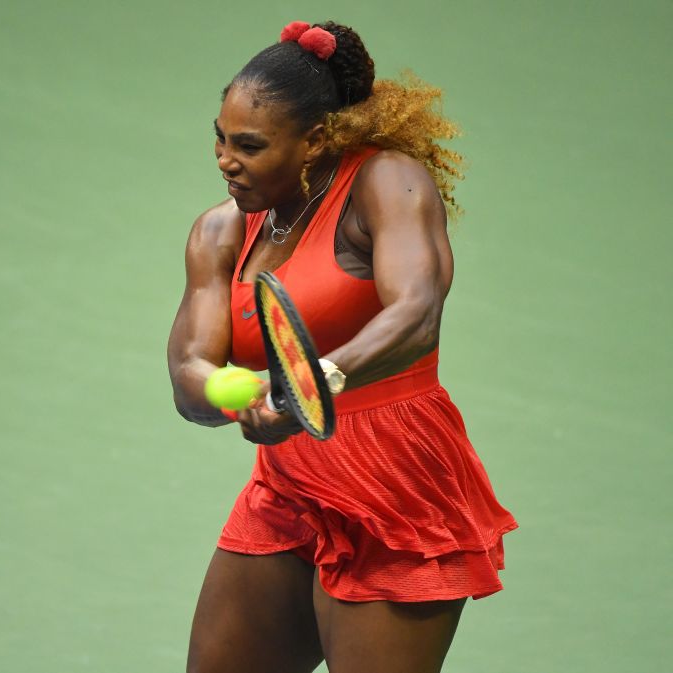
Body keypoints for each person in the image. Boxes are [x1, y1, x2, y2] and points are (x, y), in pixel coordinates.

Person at [166, 20, 518, 673]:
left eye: (249, 145)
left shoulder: (388, 183)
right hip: (289, 489)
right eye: (219, 137)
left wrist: (318, 378)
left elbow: (416, 308)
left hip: (397, 490)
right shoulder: (219, 230)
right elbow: (190, 369)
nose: (224, 159)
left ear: (316, 140)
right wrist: (231, 392)